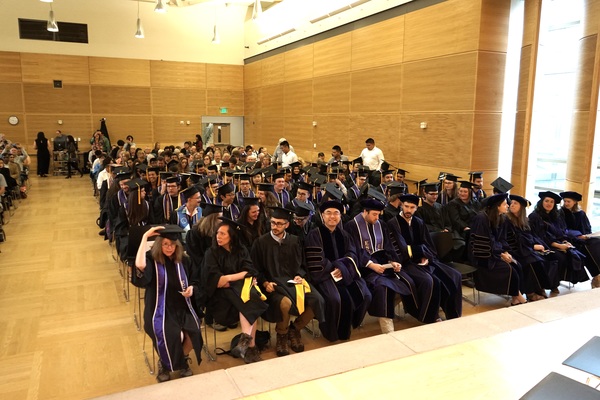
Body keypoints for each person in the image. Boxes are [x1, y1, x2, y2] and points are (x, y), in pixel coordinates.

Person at [132, 225, 203, 383]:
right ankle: (165, 364)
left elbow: (195, 280)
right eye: (165, 244)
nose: (169, 248)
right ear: (159, 245)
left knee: (194, 331)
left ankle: (181, 359)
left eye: (172, 244)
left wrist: (192, 288)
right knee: (172, 334)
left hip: (182, 307)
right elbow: (140, 266)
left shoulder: (184, 260)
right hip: (159, 310)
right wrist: (145, 237)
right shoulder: (151, 260)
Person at [251, 207, 325, 357]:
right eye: (273, 223)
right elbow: (254, 268)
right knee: (285, 304)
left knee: (317, 299)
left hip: (293, 282)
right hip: (273, 285)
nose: (275, 226)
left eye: (279, 224)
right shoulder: (261, 242)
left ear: (287, 225)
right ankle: (282, 335)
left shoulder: (294, 241)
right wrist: (264, 283)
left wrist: (299, 275)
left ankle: (295, 329)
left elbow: (302, 264)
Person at [344, 198, 422, 332]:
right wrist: (370, 264)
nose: (377, 218)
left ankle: (388, 311)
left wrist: (393, 262)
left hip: (383, 265)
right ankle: (387, 327)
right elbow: (353, 250)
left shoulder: (381, 224)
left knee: (407, 281)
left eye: (379, 215)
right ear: (365, 212)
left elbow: (388, 246)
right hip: (363, 267)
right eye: (374, 214)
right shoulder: (351, 226)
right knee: (383, 287)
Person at [202, 217, 268, 363]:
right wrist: (239, 277)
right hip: (221, 297)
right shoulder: (211, 253)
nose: (218, 236)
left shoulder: (241, 250)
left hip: (240, 292)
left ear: (231, 236)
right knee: (250, 299)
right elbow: (218, 282)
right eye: (217, 233)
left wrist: (229, 278)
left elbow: (250, 270)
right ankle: (249, 345)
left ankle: (247, 344)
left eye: (223, 234)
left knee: (250, 298)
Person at [304, 200, 372, 342]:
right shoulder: (314, 235)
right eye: (328, 213)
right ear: (322, 216)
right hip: (325, 276)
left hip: (346, 273)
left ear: (340, 216)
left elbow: (352, 254)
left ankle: (349, 324)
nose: (332, 216)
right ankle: (332, 333)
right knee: (335, 299)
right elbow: (316, 261)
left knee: (365, 294)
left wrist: (343, 268)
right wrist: (336, 268)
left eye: (336, 213)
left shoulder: (345, 234)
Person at [387, 194, 463, 320]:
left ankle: (453, 314)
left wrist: (426, 257)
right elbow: (401, 248)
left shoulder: (419, 222)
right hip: (406, 263)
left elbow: (428, 244)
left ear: (416, 208)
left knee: (454, 275)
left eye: (412, 207)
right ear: (401, 206)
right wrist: (420, 252)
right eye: (406, 206)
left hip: (424, 261)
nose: (408, 210)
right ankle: (430, 316)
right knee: (431, 281)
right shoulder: (393, 223)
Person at [469, 193, 528, 305]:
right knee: (509, 269)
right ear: (497, 206)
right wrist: (501, 254)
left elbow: (502, 239)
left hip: (495, 252)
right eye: (505, 204)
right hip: (483, 256)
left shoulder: (502, 218)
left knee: (517, 265)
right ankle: (519, 297)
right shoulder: (482, 219)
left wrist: (505, 251)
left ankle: (515, 299)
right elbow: (485, 242)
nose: (508, 206)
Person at [529, 191, 588, 290]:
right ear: (541, 202)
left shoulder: (556, 216)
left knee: (575, 253)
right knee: (559, 256)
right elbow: (540, 236)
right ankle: (552, 284)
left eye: (552, 202)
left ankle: (559, 281)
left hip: (557, 242)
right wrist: (558, 245)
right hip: (543, 244)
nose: (549, 204)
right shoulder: (535, 216)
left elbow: (562, 231)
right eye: (546, 201)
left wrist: (564, 241)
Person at [505, 194, 560, 300]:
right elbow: (513, 240)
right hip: (514, 250)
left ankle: (539, 288)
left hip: (524, 248)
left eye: (515, 203)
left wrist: (537, 245)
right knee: (529, 262)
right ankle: (530, 293)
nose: (512, 205)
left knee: (540, 260)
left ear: (521, 207)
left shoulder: (524, 221)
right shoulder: (507, 220)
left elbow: (530, 236)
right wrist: (532, 246)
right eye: (511, 203)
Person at [559, 191, 600, 288]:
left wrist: (586, 236)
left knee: (596, 243)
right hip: (569, 239)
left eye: (568, 201)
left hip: (582, 238)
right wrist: (578, 235)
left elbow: (587, 228)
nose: (566, 203)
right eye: (565, 201)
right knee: (585, 249)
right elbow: (562, 229)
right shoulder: (560, 213)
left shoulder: (581, 214)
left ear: (574, 202)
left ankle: (597, 275)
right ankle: (596, 276)